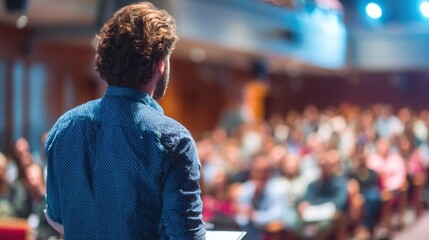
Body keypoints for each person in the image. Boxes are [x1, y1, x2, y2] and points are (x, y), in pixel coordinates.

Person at [44, 2, 206, 239]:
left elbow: (57, 217)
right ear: (160, 64)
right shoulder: (174, 140)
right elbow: (187, 236)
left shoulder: (65, 127)